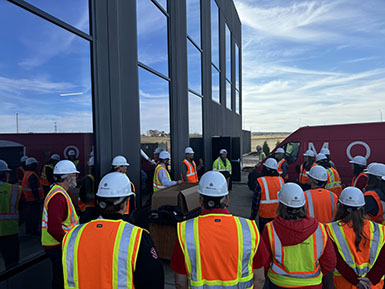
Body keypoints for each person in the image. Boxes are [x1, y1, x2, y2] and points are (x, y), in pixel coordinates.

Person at [62, 172, 164, 289]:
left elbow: (62, 278)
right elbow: (154, 282)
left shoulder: (72, 236)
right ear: (125, 204)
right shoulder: (137, 237)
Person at [171, 171, 268, 289]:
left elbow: (180, 282)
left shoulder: (186, 231)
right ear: (226, 199)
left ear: (200, 201)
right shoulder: (249, 229)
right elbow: (260, 278)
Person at [262, 183, 336, 289]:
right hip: (312, 284)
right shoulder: (320, 229)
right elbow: (330, 262)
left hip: (280, 283)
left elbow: (264, 261)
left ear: (280, 205)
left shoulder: (270, 229)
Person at [326, 187, 385, 289]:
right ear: (362, 208)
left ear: (340, 206)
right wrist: (370, 279)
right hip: (373, 286)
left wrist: (356, 280)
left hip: (343, 284)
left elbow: (336, 260)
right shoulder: (381, 230)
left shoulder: (329, 230)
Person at [41, 160, 79, 289]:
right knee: (61, 279)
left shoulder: (59, 192)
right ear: (68, 178)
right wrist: (67, 243)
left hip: (58, 244)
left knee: (60, 277)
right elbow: (53, 227)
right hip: (58, 246)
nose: (76, 178)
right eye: (74, 175)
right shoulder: (58, 196)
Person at [250, 158, 284, 232]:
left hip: (264, 216)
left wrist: (252, 217)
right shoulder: (281, 180)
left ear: (266, 169)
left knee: (264, 236)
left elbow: (255, 202)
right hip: (278, 215)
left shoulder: (261, 181)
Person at [0, 160, 22, 270]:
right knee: (12, 265)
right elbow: (23, 209)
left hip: (10, 233)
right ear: (4, 174)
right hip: (10, 233)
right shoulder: (16, 190)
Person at [21, 157, 44, 235]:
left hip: (28, 199)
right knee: (34, 216)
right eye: (35, 165)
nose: (36, 167)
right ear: (32, 165)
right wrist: (38, 199)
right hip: (33, 200)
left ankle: (29, 230)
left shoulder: (26, 174)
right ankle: (34, 230)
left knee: (29, 216)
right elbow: (34, 189)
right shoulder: (32, 175)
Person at [78, 156, 97, 223]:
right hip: (89, 207)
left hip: (88, 207)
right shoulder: (91, 178)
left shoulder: (90, 178)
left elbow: (83, 194)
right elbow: (83, 194)